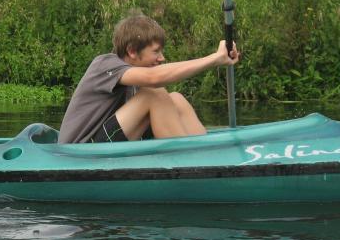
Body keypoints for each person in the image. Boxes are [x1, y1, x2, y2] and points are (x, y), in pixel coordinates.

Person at [58, 12, 239, 144]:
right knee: (154, 94)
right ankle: (186, 161)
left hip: (108, 144)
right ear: (132, 51)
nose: (162, 58)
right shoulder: (104, 64)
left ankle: (205, 154)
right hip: (80, 152)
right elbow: (154, 78)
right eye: (155, 51)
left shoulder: (135, 79)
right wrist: (215, 58)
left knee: (176, 98)